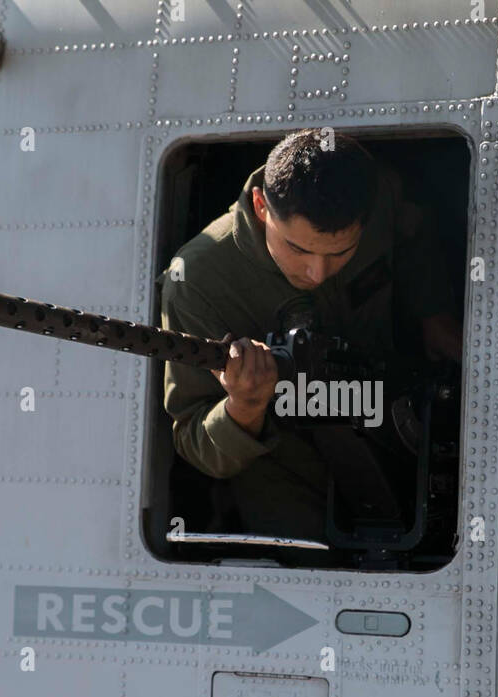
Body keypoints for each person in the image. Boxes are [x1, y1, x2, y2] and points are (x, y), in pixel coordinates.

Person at [159, 128, 461, 542]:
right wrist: (244, 409)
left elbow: (413, 231)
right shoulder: (197, 281)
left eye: (340, 253)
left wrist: (433, 311)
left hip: (398, 428)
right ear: (262, 206)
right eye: (299, 250)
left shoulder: (381, 195)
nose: (317, 273)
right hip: (289, 476)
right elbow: (196, 444)